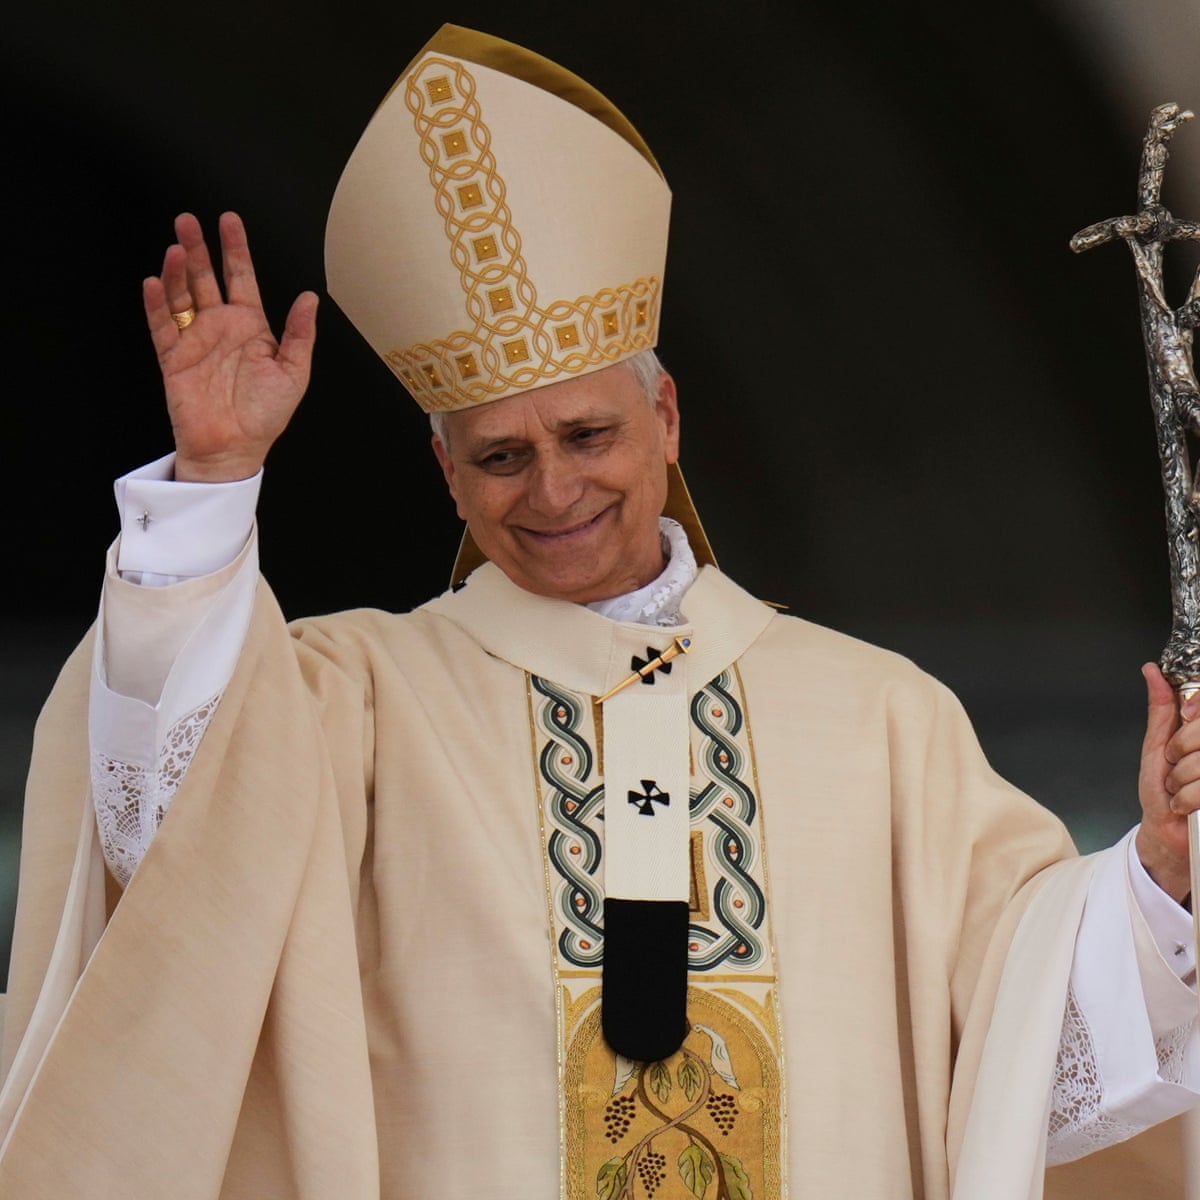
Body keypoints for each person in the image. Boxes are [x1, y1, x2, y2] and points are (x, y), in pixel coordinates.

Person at [2, 23, 1200, 1200]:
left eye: (588, 436)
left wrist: (1156, 875)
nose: (555, 489)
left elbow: (1018, 1043)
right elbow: (170, 829)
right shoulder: (353, 702)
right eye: (501, 457)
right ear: (447, 478)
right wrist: (215, 480)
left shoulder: (880, 719)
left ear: (667, 419)